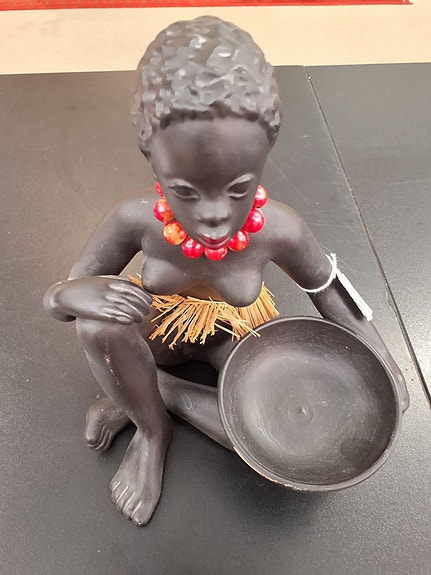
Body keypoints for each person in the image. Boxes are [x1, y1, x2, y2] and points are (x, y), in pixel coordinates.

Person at [44, 16, 409, 526]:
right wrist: (70, 296)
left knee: (272, 434)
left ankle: (155, 394)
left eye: (238, 189)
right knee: (98, 326)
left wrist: (382, 356)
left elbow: (328, 287)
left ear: (262, 161)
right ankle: (151, 430)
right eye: (186, 192)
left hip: (233, 333)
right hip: (155, 328)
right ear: (155, 166)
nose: (215, 215)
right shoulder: (136, 219)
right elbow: (62, 292)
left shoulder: (280, 228)